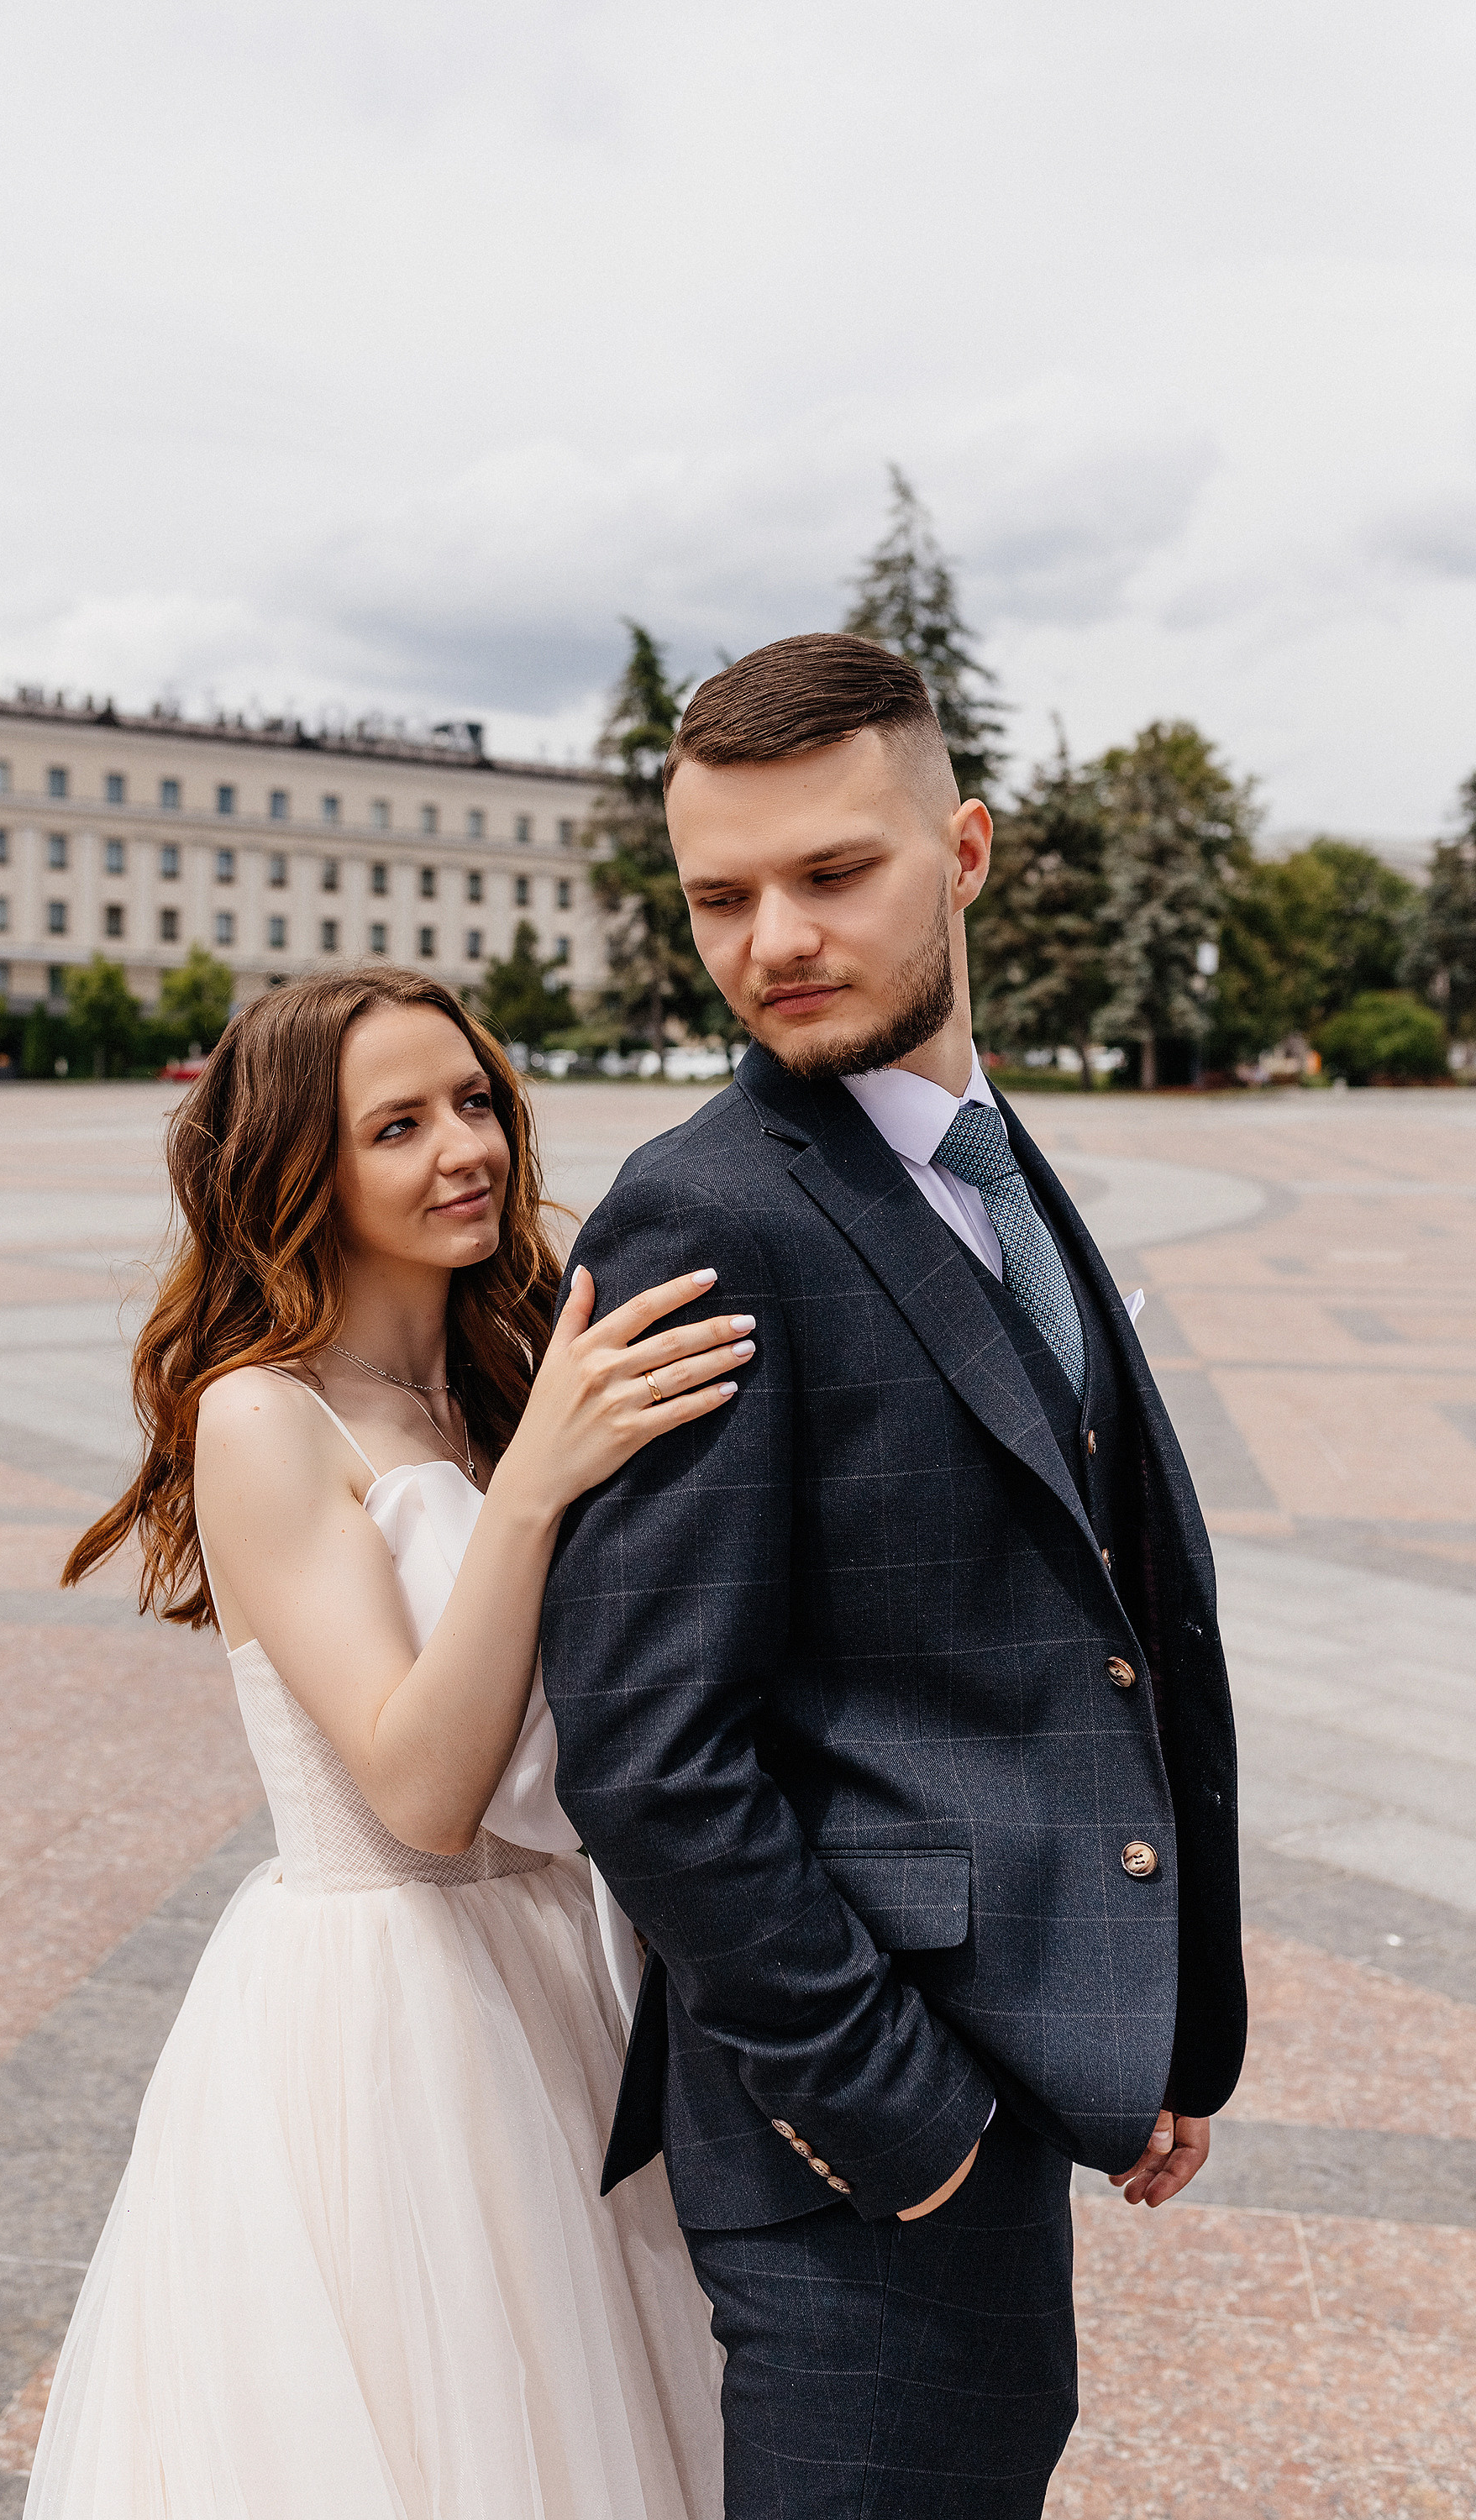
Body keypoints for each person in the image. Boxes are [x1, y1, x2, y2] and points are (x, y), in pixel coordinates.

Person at [541, 633, 1248, 2518]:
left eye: (832, 873)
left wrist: (1166, 2022)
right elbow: (645, 1750)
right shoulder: (705, 1207)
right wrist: (896, 2119)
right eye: (720, 896)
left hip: (1008, 2065)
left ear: (967, 853)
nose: (772, 940)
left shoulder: (985, 1157)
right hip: (855, 2145)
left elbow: (1113, 1612)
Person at [31, 966, 733, 2519]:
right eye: (396, 1126)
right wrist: (536, 1486)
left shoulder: (509, 1374)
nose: (464, 1148)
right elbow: (420, 1793)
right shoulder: (263, 1417)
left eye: (474, 1101)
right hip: (396, 2010)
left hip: (570, 1971)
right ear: (302, 1167)